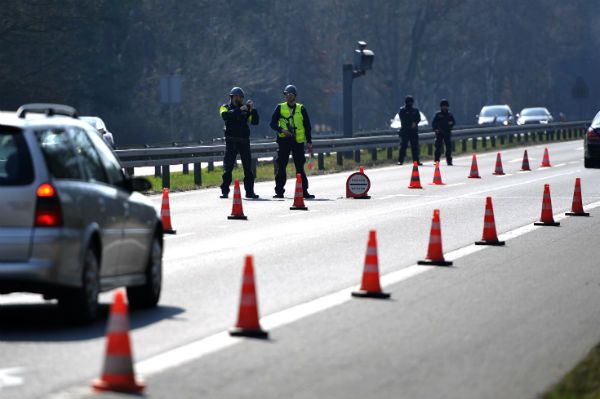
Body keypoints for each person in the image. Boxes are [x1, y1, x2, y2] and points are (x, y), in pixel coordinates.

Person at [270, 84, 314, 199]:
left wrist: (309, 141)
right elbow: (272, 124)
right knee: (281, 166)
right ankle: (279, 191)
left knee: (300, 167)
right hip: (284, 141)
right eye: (286, 94)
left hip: (298, 142)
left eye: (291, 94)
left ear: (295, 96)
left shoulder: (301, 108)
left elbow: (307, 126)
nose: (288, 96)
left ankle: (304, 191)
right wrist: (282, 130)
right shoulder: (280, 107)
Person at [219, 86, 260, 199]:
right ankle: (225, 190)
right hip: (231, 141)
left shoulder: (246, 110)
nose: (238, 99)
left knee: (248, 168)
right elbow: (225, 116)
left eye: (240, 97)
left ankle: (250, 192)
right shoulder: (225, 107)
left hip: (244, 142)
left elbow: (255, 122)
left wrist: (252, 110)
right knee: (228, 168)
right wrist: (239, 110)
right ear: (231, 97)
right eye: (236, 97)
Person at [397, 95, 422, 165]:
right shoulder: (402, 110)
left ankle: (416, 161)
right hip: (405, 131)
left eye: (411, 102)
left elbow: (418, 118)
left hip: (413, 131)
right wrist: (410, 123)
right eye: (408, 102)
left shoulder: (415, 111)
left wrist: (415, 122)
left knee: (415, 147)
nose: (409, 103)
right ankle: (400, 160)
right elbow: (403, 119)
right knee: (403, 146)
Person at [432, 99, 456, 166]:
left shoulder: (450, 115)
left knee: (448, 147)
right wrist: (435, 129)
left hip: (447, 132)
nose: (444, 107)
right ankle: (436, 161)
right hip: (439, 133)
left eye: (446, 106)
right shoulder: (438, 114)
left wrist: (450, 124)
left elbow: (453, 122)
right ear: (441, 107)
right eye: (443, 106)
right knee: (438, 147)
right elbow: (434, 123)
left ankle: (449, 161)